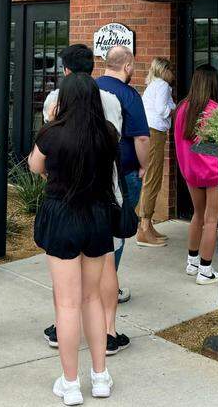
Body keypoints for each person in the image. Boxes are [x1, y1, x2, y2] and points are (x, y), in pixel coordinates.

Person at [29, 72, 118, 404]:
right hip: (97, 217)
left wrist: (51, 125)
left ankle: (70, 384)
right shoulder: (108, 134)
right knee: (92, 298)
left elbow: (34, 165)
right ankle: (100, 377)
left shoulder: (52, 134)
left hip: (62, 215)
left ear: (63, 99)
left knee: (67, 303)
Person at [42, 44, 131, 354]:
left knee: (65, 281)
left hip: (64, 197)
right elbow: (117, 143)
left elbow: (44, 153)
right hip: (103, 195)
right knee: (107, 268)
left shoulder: (54, 100)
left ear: (65, 70)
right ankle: (108, 332)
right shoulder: (111, 100)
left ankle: (60, 327)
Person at [95, 47, 148, 296]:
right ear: (127, 66)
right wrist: (145, 166)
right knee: (117, 227)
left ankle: (93, 285)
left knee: (95, 226)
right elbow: (141, 139)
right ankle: (109, 287)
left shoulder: (90, 89)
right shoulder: (129, 95)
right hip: (124, 171)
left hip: (91, 170)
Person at [173, 64, 218, 284]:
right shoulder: (212, 109)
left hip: (190, 171)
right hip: (212, 173)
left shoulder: (182, 107)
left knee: (197, 215)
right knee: (212, 220)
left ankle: (192, 264)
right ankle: (206, 271)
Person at [137, 57, 175, 247]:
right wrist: (175, 107)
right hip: (155, 132)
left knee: (151, 177)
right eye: (171, 70)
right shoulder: (162, 85)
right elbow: (162, 110)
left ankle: (147, 225)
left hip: (150, 131)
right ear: (164, 70)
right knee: (153, 177)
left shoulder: (153, 84)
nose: (173, 74)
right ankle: (144, 228)